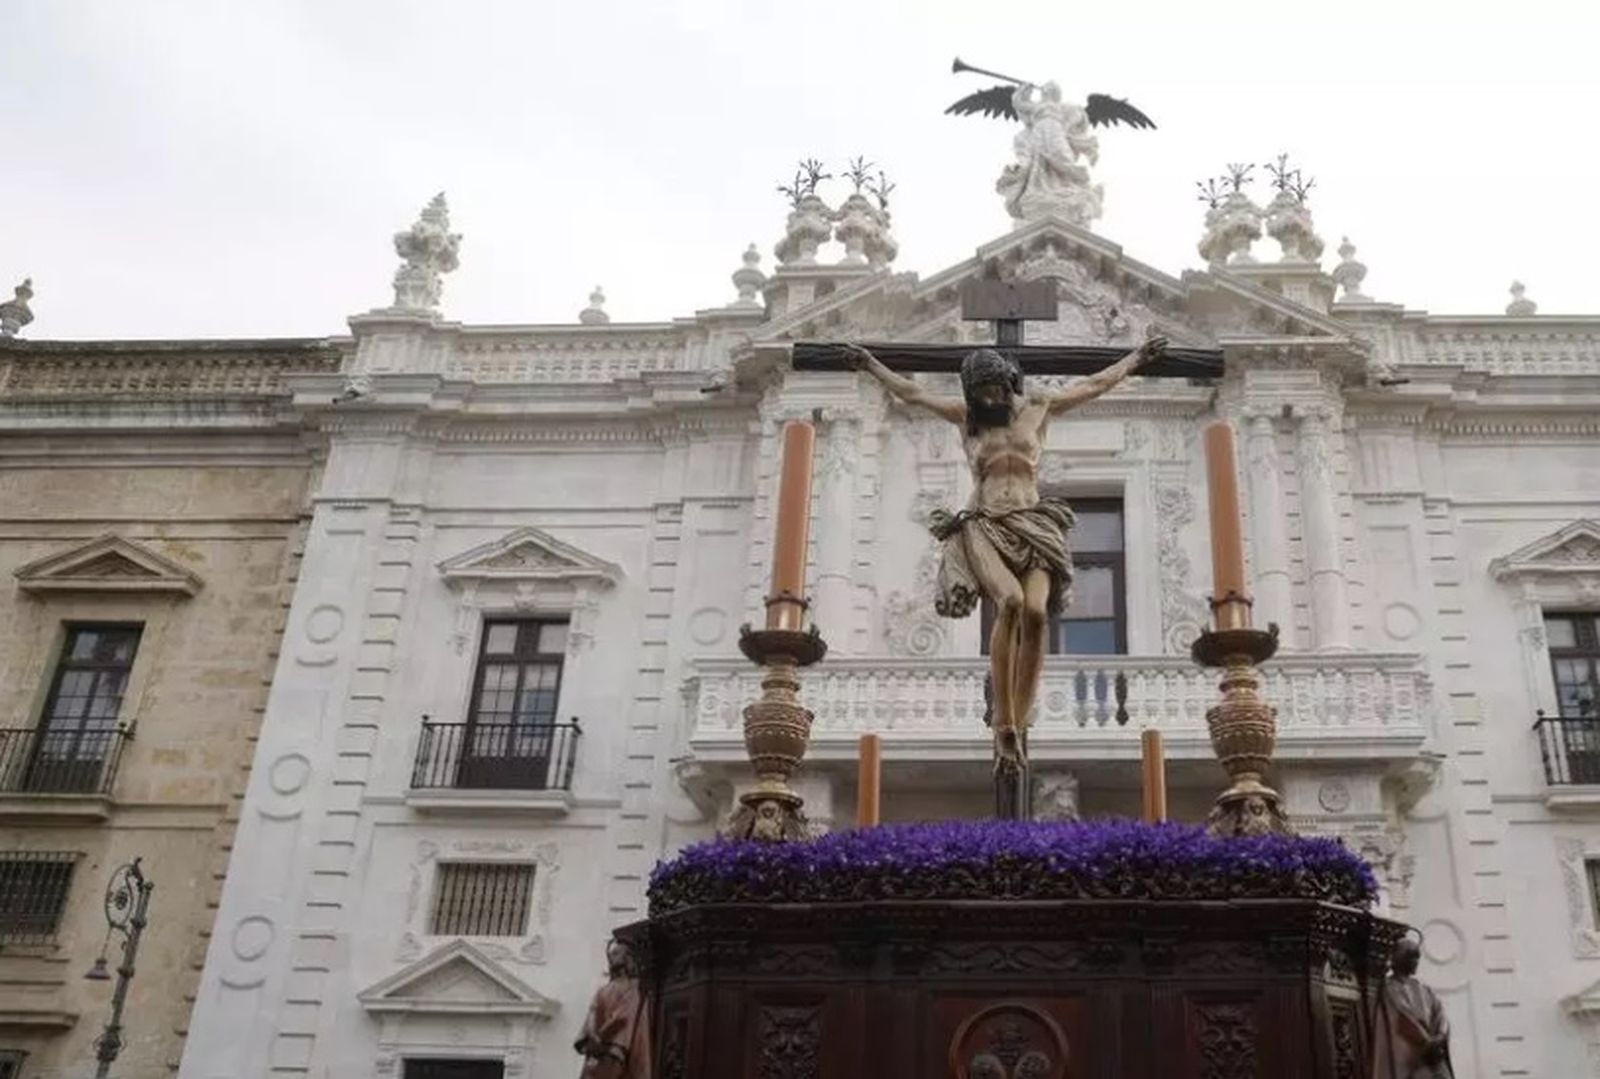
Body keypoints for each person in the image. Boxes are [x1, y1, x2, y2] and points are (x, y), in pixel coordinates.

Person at [843, 335, 1164, 785]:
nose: (986, 399)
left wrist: (1133, 361)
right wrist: (872, 364)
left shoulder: (1040, 407)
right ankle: (1004, 722)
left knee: (1035, 613)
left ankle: (1022, 710)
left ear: (1008, 382)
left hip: (1034, 523)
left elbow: (1093, 385)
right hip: (986, 524)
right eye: (978, 392)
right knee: (1010, 603)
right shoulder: (967, 420)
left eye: (992, 389)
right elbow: (912, 393)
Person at [1372, 936, 1454, 1078]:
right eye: (1411, 957)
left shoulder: (1423, 989)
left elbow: (1440, 1014)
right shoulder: (1389, 987)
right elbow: (1403, 1017)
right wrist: (1427, 1043)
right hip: (1412, 1053)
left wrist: (1440, 1036)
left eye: (1417, 957)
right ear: (1399, 958)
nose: (1416, 962)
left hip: (1432, 1052)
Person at [574, 938, 651, 1079]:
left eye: (616, 953)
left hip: (613, 1051)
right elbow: (591, 1015)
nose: (611, 957)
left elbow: (623, 1017)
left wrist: (599, 1037)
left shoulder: (632, 988)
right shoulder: (603, 990)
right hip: (597, 1052)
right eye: (611, 954)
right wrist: (591, 1036)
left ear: (627, 957)